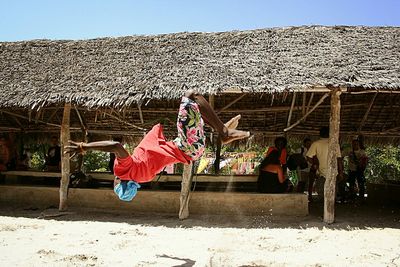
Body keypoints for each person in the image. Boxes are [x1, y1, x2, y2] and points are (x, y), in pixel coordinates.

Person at [65, 90, 250, 201]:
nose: (114, 179)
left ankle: (222, 130)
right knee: (190, 95)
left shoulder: (142, 178)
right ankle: (224, 133)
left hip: (191, 150)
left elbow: (150, 156)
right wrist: (84, 147)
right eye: (115, 183)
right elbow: (115, 146)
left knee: (195, 111)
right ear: (120, 182)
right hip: (187, 146)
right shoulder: (124, 171)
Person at [306, 126, 343, 201]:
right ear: (330, 134)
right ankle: (330, 212)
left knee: (322, 196)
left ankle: (325, 211)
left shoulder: (316, 143)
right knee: (332, 196)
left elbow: (308, 157)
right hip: (333, 172)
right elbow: (339, 159)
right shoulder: (335, 144)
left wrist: (315, 164)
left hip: (321, 173)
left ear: (319, 134)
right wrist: (341, 172)